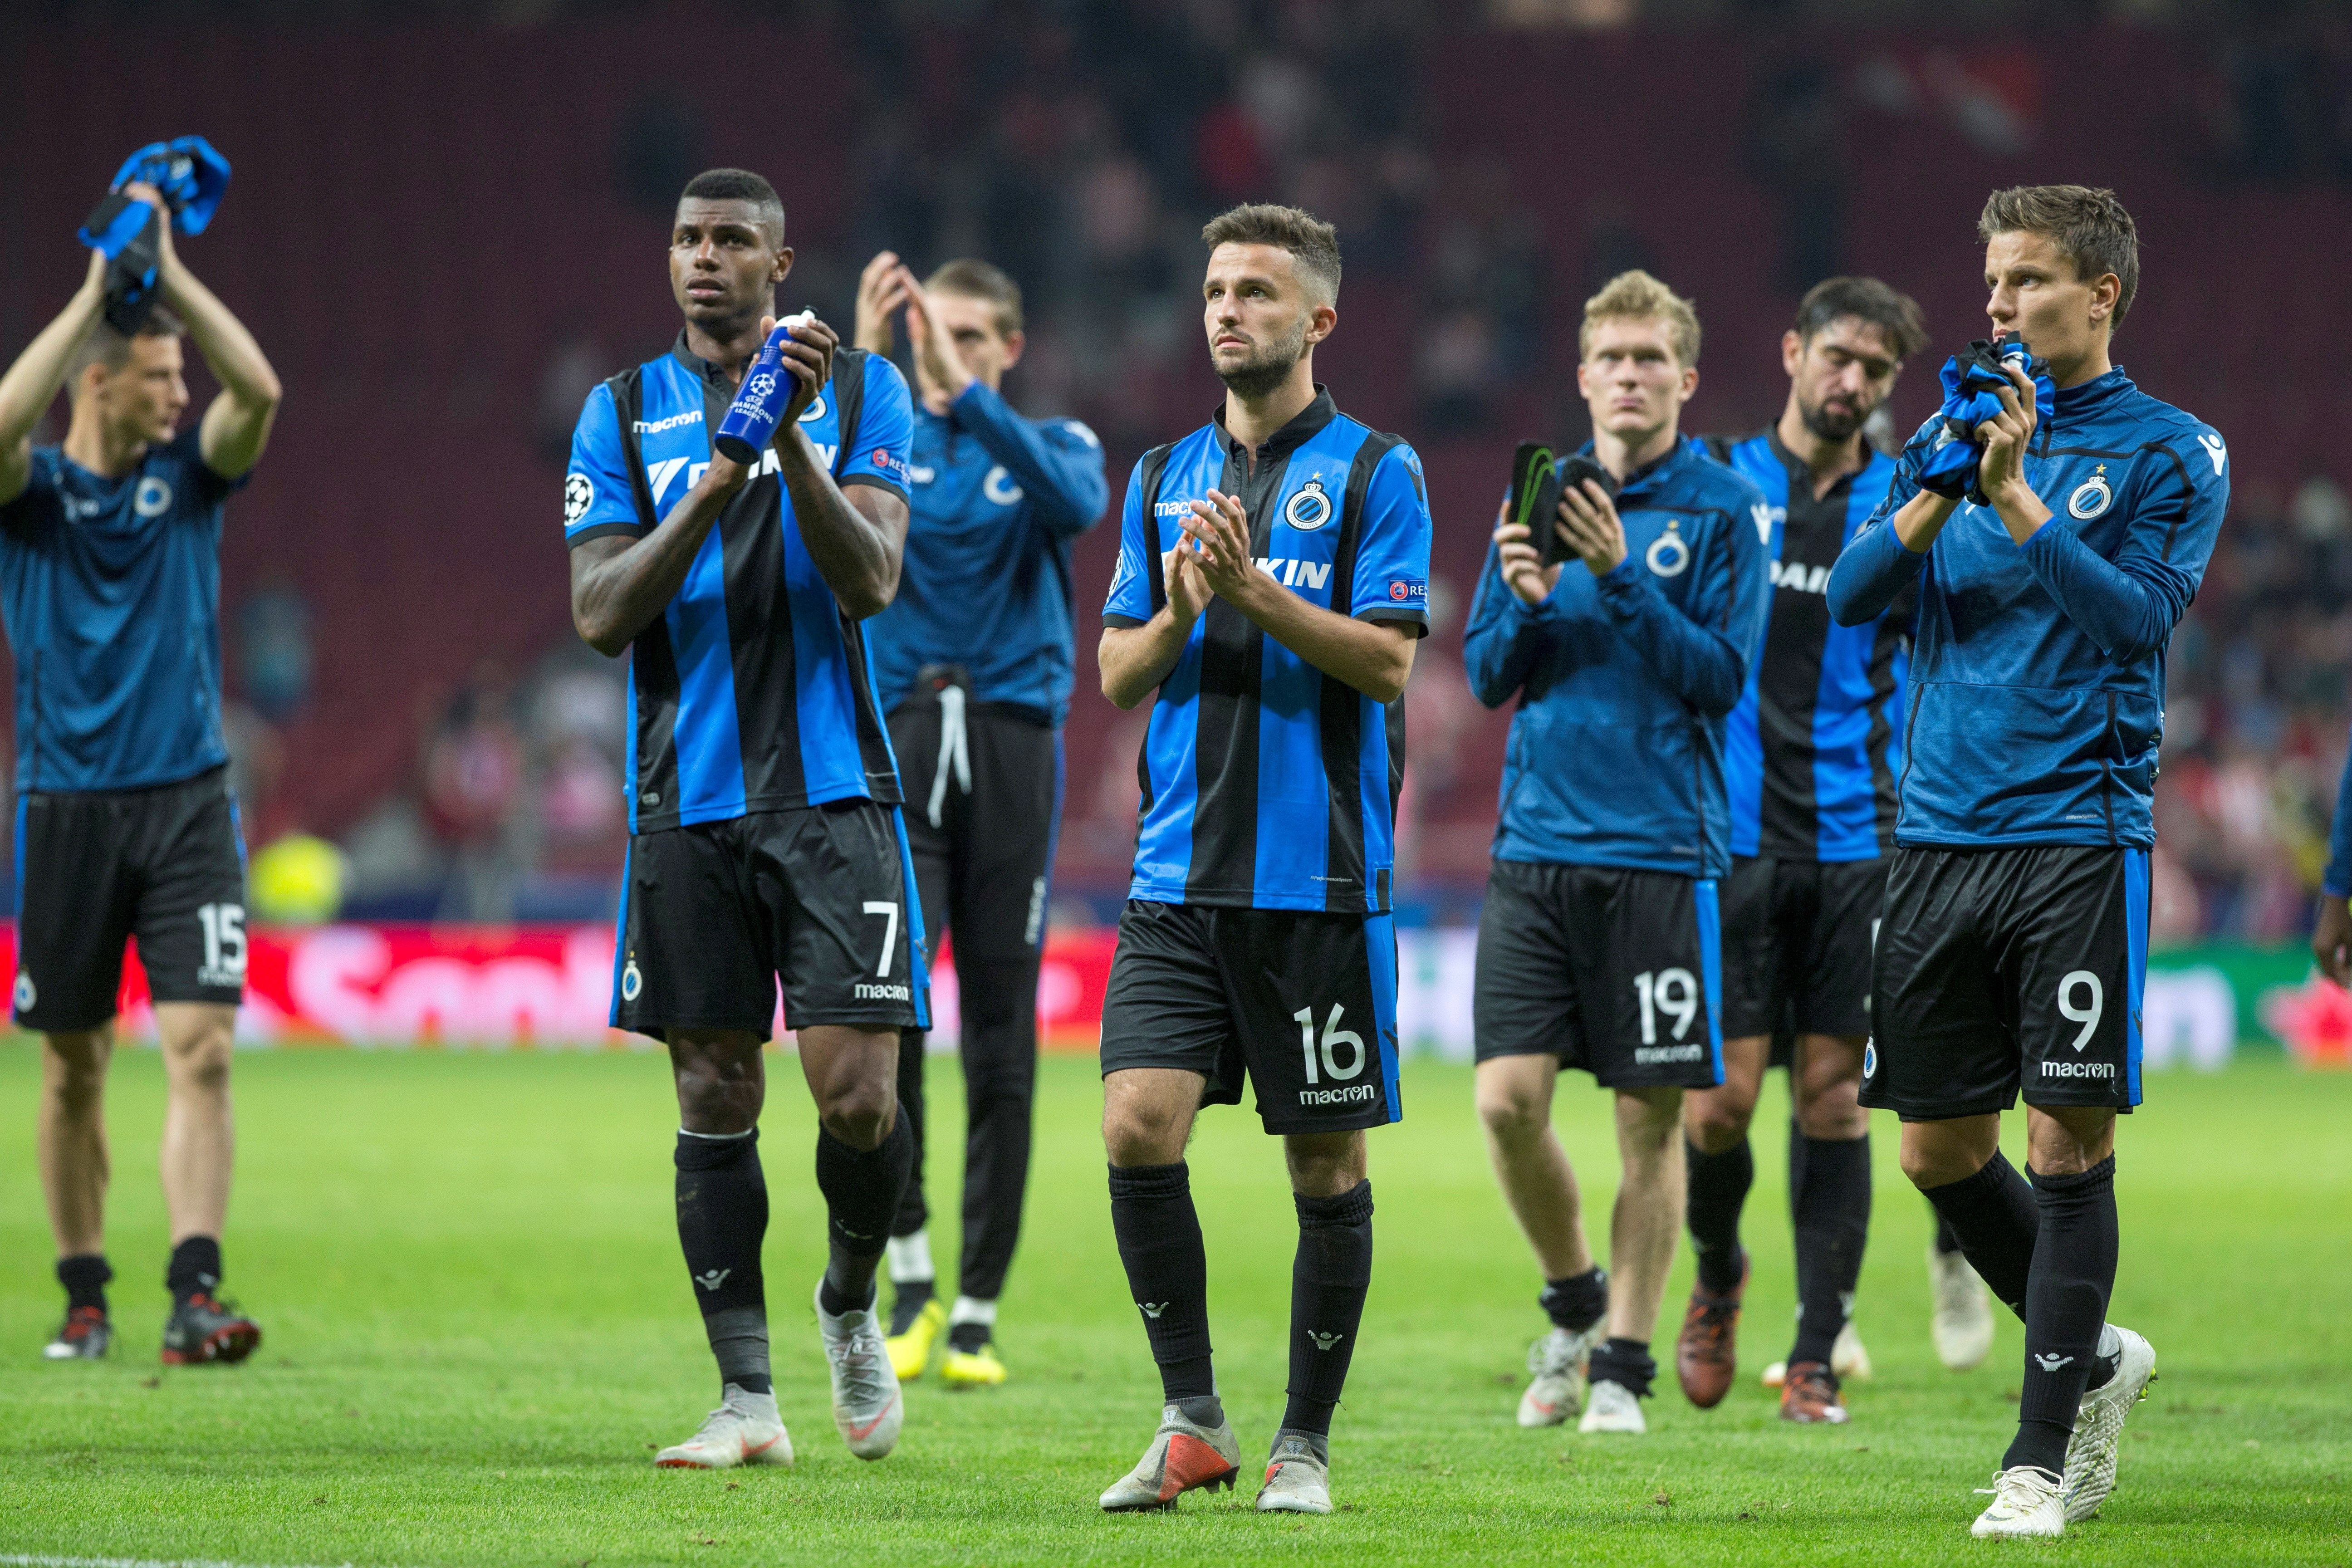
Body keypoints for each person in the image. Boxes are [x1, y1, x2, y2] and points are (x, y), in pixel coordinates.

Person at [1826, 185, 2223, 1538]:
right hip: (1936, 835)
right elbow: (1853, 595)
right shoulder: (1942, 436)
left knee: (2066, 1142)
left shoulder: (2173, 451)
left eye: (2030, 281)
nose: (1998, 304)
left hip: (2075, 833)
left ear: (2102, 293)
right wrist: (1950, 486)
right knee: (1938, 1153)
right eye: (1993, 281)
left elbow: (2138, 622)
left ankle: (2038, 1460)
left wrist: (2019, 502)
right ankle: (2100, 1357)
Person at [564, 168, 922, 1471]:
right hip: (688, 801)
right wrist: (713, 487)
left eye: (730, 241)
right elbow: (601, 615)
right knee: (714, 1088)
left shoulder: (869, 393)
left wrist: (791, 442)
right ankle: (747, 1401)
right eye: (685, 239)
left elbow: (874, 577)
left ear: (780, 260)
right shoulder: (615, 414)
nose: (703, 259)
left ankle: (846, 1302)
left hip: (835, 797)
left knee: (862, 1099)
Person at [1093, 204, 1431, 1517]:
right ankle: (1190, 1421)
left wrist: (1254, 596)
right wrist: (1183, 603)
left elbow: (1391, 661)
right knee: (1135, 1125)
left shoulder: (1374, 472)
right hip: (1176, 879)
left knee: (1323, 1167)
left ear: (1318, 320)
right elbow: (1120, 676)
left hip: (1319, 881)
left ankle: (1305, 1443)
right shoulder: (1159, 475)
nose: (1227, 310)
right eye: (1215, 289)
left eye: (1256, 292)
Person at [1467, 270, 1769, 1438]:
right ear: (1583, 376)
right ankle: (1575, 1295)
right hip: (1536, 845)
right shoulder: (1534, 495)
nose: (1631, 377)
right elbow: (1492, 671)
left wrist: (1621, 575)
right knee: (1504, 1104)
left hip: (1660, 851)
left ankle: (1623, 1370)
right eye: (1613, 359)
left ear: (1686, 380)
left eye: (1653, 360)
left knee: (1649, 1124)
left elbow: (1719, 681)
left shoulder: (1722, 509)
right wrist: (1534, 597)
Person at [0, 181, 281, 1365]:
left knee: (203, 1048)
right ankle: (83, 1294)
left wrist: (167, 285)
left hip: (186, 802)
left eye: (181, 376)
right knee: (72, 1067)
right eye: (161, 377)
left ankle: (195, 1289)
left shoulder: (194, 483)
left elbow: (259, 390)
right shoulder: (36, 497)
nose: (184, 396)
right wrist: (88, 300)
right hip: (64, 803)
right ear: (100, 384)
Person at [1674, 275, 1937, 1424]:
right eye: (1839, 356)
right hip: (1727, 837)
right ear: (1791, 351)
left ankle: (1818, 1351)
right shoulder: (1717, 479)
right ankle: (1719, 1274)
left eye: (1877, 372)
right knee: (1719, 1104)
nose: (1854, 383)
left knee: (1834, 1098)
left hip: (1856, 841)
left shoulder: (1910, 501)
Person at [852, 254, 1108, 1389]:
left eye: (964, 332)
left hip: (1012, 741)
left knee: (1003, 1034)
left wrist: (971, 395)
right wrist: (867, 371)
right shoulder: (883, 439)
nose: (938, 346)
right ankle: (907, 1275)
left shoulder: (1056, 443)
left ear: (1009, 345)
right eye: (924, 330)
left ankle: (976, 1311)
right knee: (890, 1014)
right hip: (903, 735)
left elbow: (1077, 507)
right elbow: (804, 505)